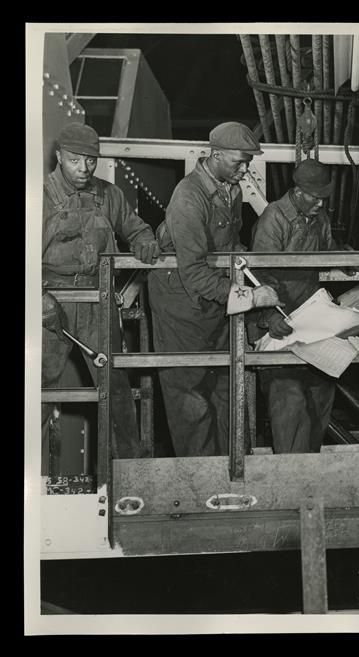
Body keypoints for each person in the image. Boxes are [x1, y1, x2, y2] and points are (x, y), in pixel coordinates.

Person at [148, 122, 280, 457]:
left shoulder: (230, 189)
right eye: (239, 161)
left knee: (227, 391)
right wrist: (250, 297)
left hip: (216, 304)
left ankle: (234, 479)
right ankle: (201, 487)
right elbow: (193, 273)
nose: (244, 169)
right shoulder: (188, 198)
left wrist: (253, 266)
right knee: (190, 401)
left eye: (248, 162)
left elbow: (230, 245)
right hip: (182, 309)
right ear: (215, 154)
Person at [42, 122, 161, 461]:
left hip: (96, 301)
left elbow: (136, 229)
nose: (84, 169)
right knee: (39, 387)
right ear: (59, 155)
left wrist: (144, 241)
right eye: (75, 160)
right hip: (49, 303)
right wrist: (38, 299)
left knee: (115, 385)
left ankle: (130, 467)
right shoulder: (41, 197)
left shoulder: (109, 195)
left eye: (91, 161)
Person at [249, 159, 343, 454]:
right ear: (298, 191)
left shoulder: (319, 219)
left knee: (320, 395)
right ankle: (289, 475)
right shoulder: (273, 218)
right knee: (289, 401)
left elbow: (328, 254)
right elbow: (260, 272)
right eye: (315, 197)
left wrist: (351, 259)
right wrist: (268, 314)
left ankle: (309, 470)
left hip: (309, 325)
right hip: (278, 328)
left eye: (323, 197)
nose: (320, 203)